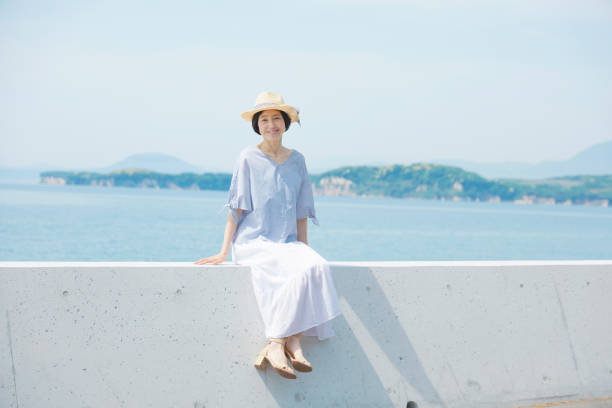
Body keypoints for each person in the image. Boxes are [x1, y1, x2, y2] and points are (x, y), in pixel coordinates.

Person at [194, 91, 342, 379]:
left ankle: (281, 342)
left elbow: (301, 211)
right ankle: (288, 342)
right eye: (264, 119)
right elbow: (236, 208)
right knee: (300, 271)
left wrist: (303, 250)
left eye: (276, 118)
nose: (271, 124)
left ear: (286, 123)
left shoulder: (297, 160)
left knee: (316, 266)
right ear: (257, 125)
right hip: (254, 242)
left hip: (287, 244)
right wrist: (224, 251)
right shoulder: (248, 157)